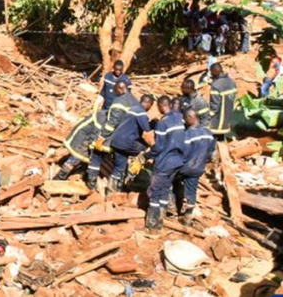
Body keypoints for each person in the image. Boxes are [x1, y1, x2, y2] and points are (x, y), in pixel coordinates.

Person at [89, 82, 153, 193]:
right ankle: (133, 173)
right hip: (125, 142)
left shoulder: (132, 108)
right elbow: (147, 131)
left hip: (116, 142)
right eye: (151, 106)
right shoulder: (140, 112)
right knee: (145, 148)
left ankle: (112, 190)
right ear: (148, 103)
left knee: (120, 165)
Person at [144, 96, 186, 233]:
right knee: (165, 190)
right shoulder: (180, 119)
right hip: (177, 161)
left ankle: (153, 225)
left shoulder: (163, 123)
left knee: (154, 192)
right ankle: (162, 219)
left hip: (164, 162)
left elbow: (159, 147)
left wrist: (146, 155)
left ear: (162, 106)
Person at [175, 109, 216, 226]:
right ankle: (188, 215)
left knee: (171, 180)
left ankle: (172, 206)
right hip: (199, 168)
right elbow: (211, 152)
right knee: (192, 191)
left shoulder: (187, 134)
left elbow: (182, 152)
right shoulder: (208, 132)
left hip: (185, 167)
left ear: (189, 118)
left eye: (184, 119)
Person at [56, 109, 106, 183]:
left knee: (82, 158)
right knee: (75, 158)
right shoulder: (103, 119)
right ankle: (59, 178)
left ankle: (78, 176)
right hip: (83, 137)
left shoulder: (107, 115)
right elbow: (95, 136)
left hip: (85, 135)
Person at [207, 63, 237, 139]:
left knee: (215, 137)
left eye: (211, 72)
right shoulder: (231, 82)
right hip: (228, 116)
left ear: (214, 71)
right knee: (222, 136)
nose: (210, 74)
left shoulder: (216, 85)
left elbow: (215, 106)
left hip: (218, 118)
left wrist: (208, 116)